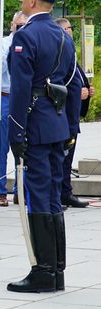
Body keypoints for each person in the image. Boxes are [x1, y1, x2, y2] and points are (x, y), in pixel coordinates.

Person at [7, 0, 80, 293]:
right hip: (57, 123)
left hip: (34, 125)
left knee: (38, 197)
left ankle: (43, 271)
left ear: (33, 0)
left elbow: (21, 90)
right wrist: (71, 125)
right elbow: (71, 84)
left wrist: (16, 132)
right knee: (52, 197)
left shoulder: (26, 36)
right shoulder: (65, 36)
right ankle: (57, 271)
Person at [0, 11, 27, 206]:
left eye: (24, 26)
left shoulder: (31, 43)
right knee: (1, 146)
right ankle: (0, 190)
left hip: (22, 100)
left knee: (22, 146)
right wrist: (14, 46)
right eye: (18, 25)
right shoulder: (2, 43)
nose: (20, 29)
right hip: (4, 97)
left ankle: (20, 190)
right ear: (12, 25)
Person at [55, 18, 92, 208]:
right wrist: (78, 92)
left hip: (72, 117)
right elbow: (58, 84)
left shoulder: (72, 55)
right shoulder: (59, 55)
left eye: (71, 28)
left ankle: (66, 193)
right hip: (63, 115)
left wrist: (86, 91)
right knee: (60, 158)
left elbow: (78, 79)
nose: (71, 31)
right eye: (68, 28)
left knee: (68, 159)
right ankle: (58, 195)